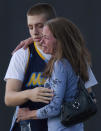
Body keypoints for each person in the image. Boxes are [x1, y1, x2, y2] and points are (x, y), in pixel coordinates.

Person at [4, 3, 97, 131]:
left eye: (40, 26)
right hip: (30, 126)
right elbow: (8, 98)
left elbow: (90, 99)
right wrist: (29, 94)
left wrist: (70, 110)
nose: (35, 33)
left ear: (52, 25)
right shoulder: (23, 54)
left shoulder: (73, 55)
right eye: (30, 27)